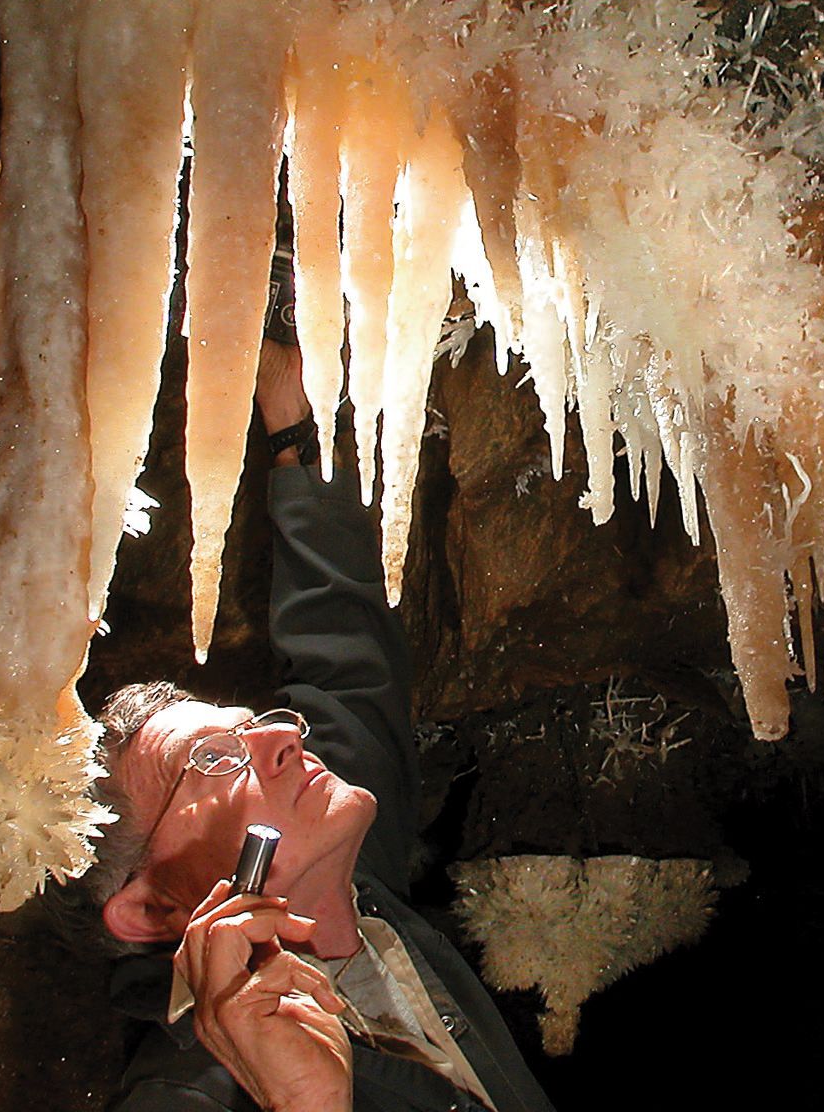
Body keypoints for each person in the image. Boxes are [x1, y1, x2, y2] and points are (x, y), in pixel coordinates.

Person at [79, 339, 557, 1112]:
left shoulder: (350, 893)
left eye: (252, 725)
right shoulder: (183, 1097)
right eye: (213, 761)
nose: (284, 736)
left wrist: (289, 417)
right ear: (150, 908)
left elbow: (347, 662)